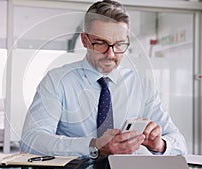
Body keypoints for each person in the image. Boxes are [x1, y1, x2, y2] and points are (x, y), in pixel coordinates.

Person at [20, 0, 187, 158]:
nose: (110, 54)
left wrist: (160, 144)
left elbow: (179, 142)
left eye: (119, 44)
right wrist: (93, 146)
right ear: (85, 40)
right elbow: (31, 141)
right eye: (101, 43)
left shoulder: (141, 85)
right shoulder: (57, 81)